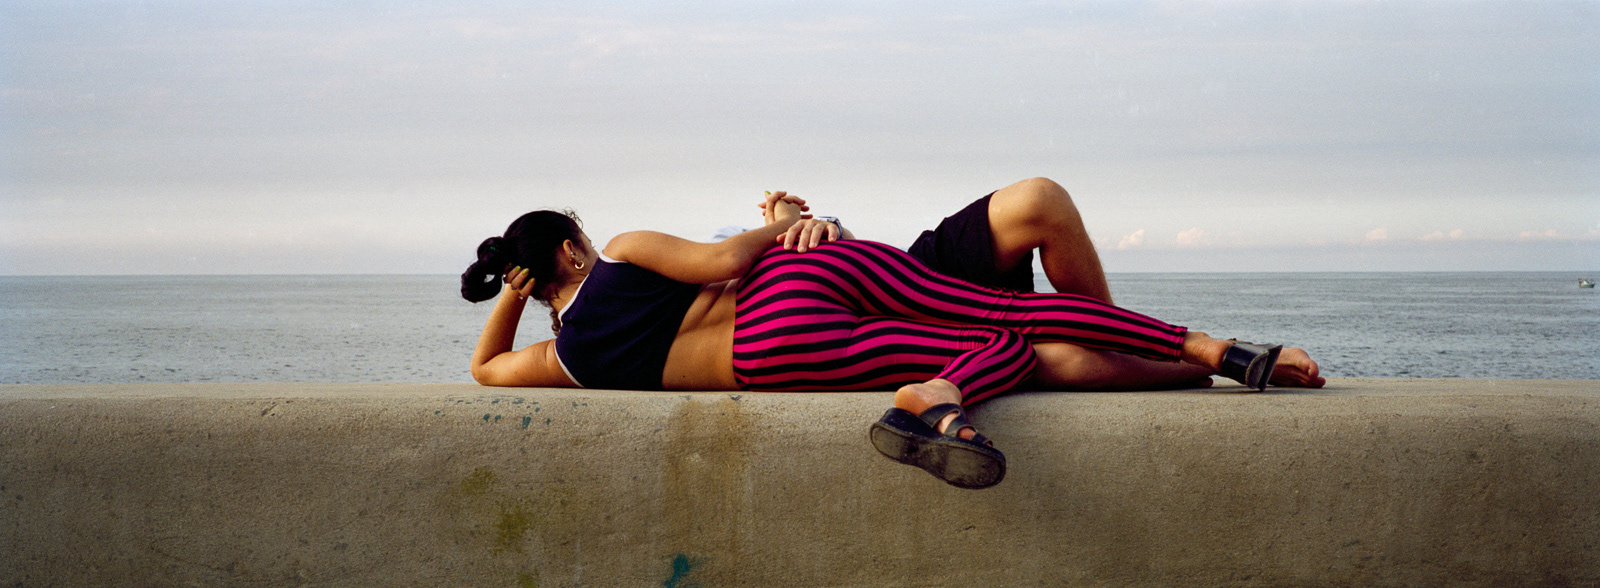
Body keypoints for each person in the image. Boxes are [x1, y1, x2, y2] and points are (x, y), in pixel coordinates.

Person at [462, 182, 1318, 489]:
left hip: (768, 359)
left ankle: (936, 396)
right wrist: (786, 222)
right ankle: (1208, 349)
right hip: (792, 282)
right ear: (572, 248)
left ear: (530, 283)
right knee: (1005, 319)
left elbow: (485, 369)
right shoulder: (621, 251)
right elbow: (723, 259)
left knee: (1006, 351)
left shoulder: (566, 359)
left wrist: (512, 300)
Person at [759, 177, 1324, 391]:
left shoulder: (766, 240)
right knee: (1056, 359)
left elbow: (829, 252)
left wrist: (814, 222)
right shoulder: (721, 285)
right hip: (877, 339)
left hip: (906, 278)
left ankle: (1124, 338)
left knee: (1039, 200)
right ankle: (1230, 359)